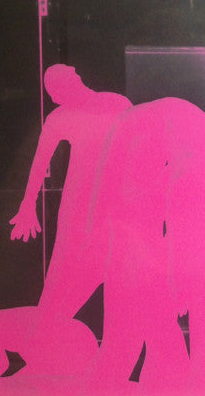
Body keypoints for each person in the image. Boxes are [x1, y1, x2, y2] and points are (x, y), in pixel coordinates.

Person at [9, 64, 132, 323]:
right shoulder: (61, 117)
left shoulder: (116, 104)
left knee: (118, 275)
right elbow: (40, 161)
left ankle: (52, 325)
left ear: (75, 76)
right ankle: (47, 327)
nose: (55, 98)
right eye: (54, 94)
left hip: (113, 204)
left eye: (56, 91)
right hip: (78, 206)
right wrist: (28, 203)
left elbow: (138, 148)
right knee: (61, 277)